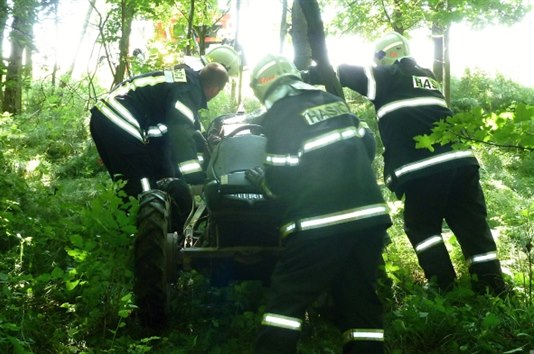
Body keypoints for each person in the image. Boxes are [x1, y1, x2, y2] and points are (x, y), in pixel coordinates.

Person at [336, 32, 507, 295]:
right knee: (472, 225)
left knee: (421, 227)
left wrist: (313, 73)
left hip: (425, 166)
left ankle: (443, 286)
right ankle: (493, 286)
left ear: (384, 57)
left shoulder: (387, 76)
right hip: (461, 163)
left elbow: (344, 72)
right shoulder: (426, 76)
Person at [247, 54, 392, 354]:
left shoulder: (280, 114)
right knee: (359, 303)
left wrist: (260, 182)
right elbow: (367, 144)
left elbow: (280, 181)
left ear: (265, 89)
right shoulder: (331, 100)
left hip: (318, 226)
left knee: (286, 304)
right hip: (368, 218)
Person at [89, 62, 229, 200]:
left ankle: (130, 217)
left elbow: (164, 140)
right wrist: (196, 178)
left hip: (103, 116)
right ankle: (141, 218)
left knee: (126, 180)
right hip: (119, 115)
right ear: (215, 89)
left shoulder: (181, 83)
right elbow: (181, 136)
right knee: (141, 184)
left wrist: (168, 176)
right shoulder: (187, 92)